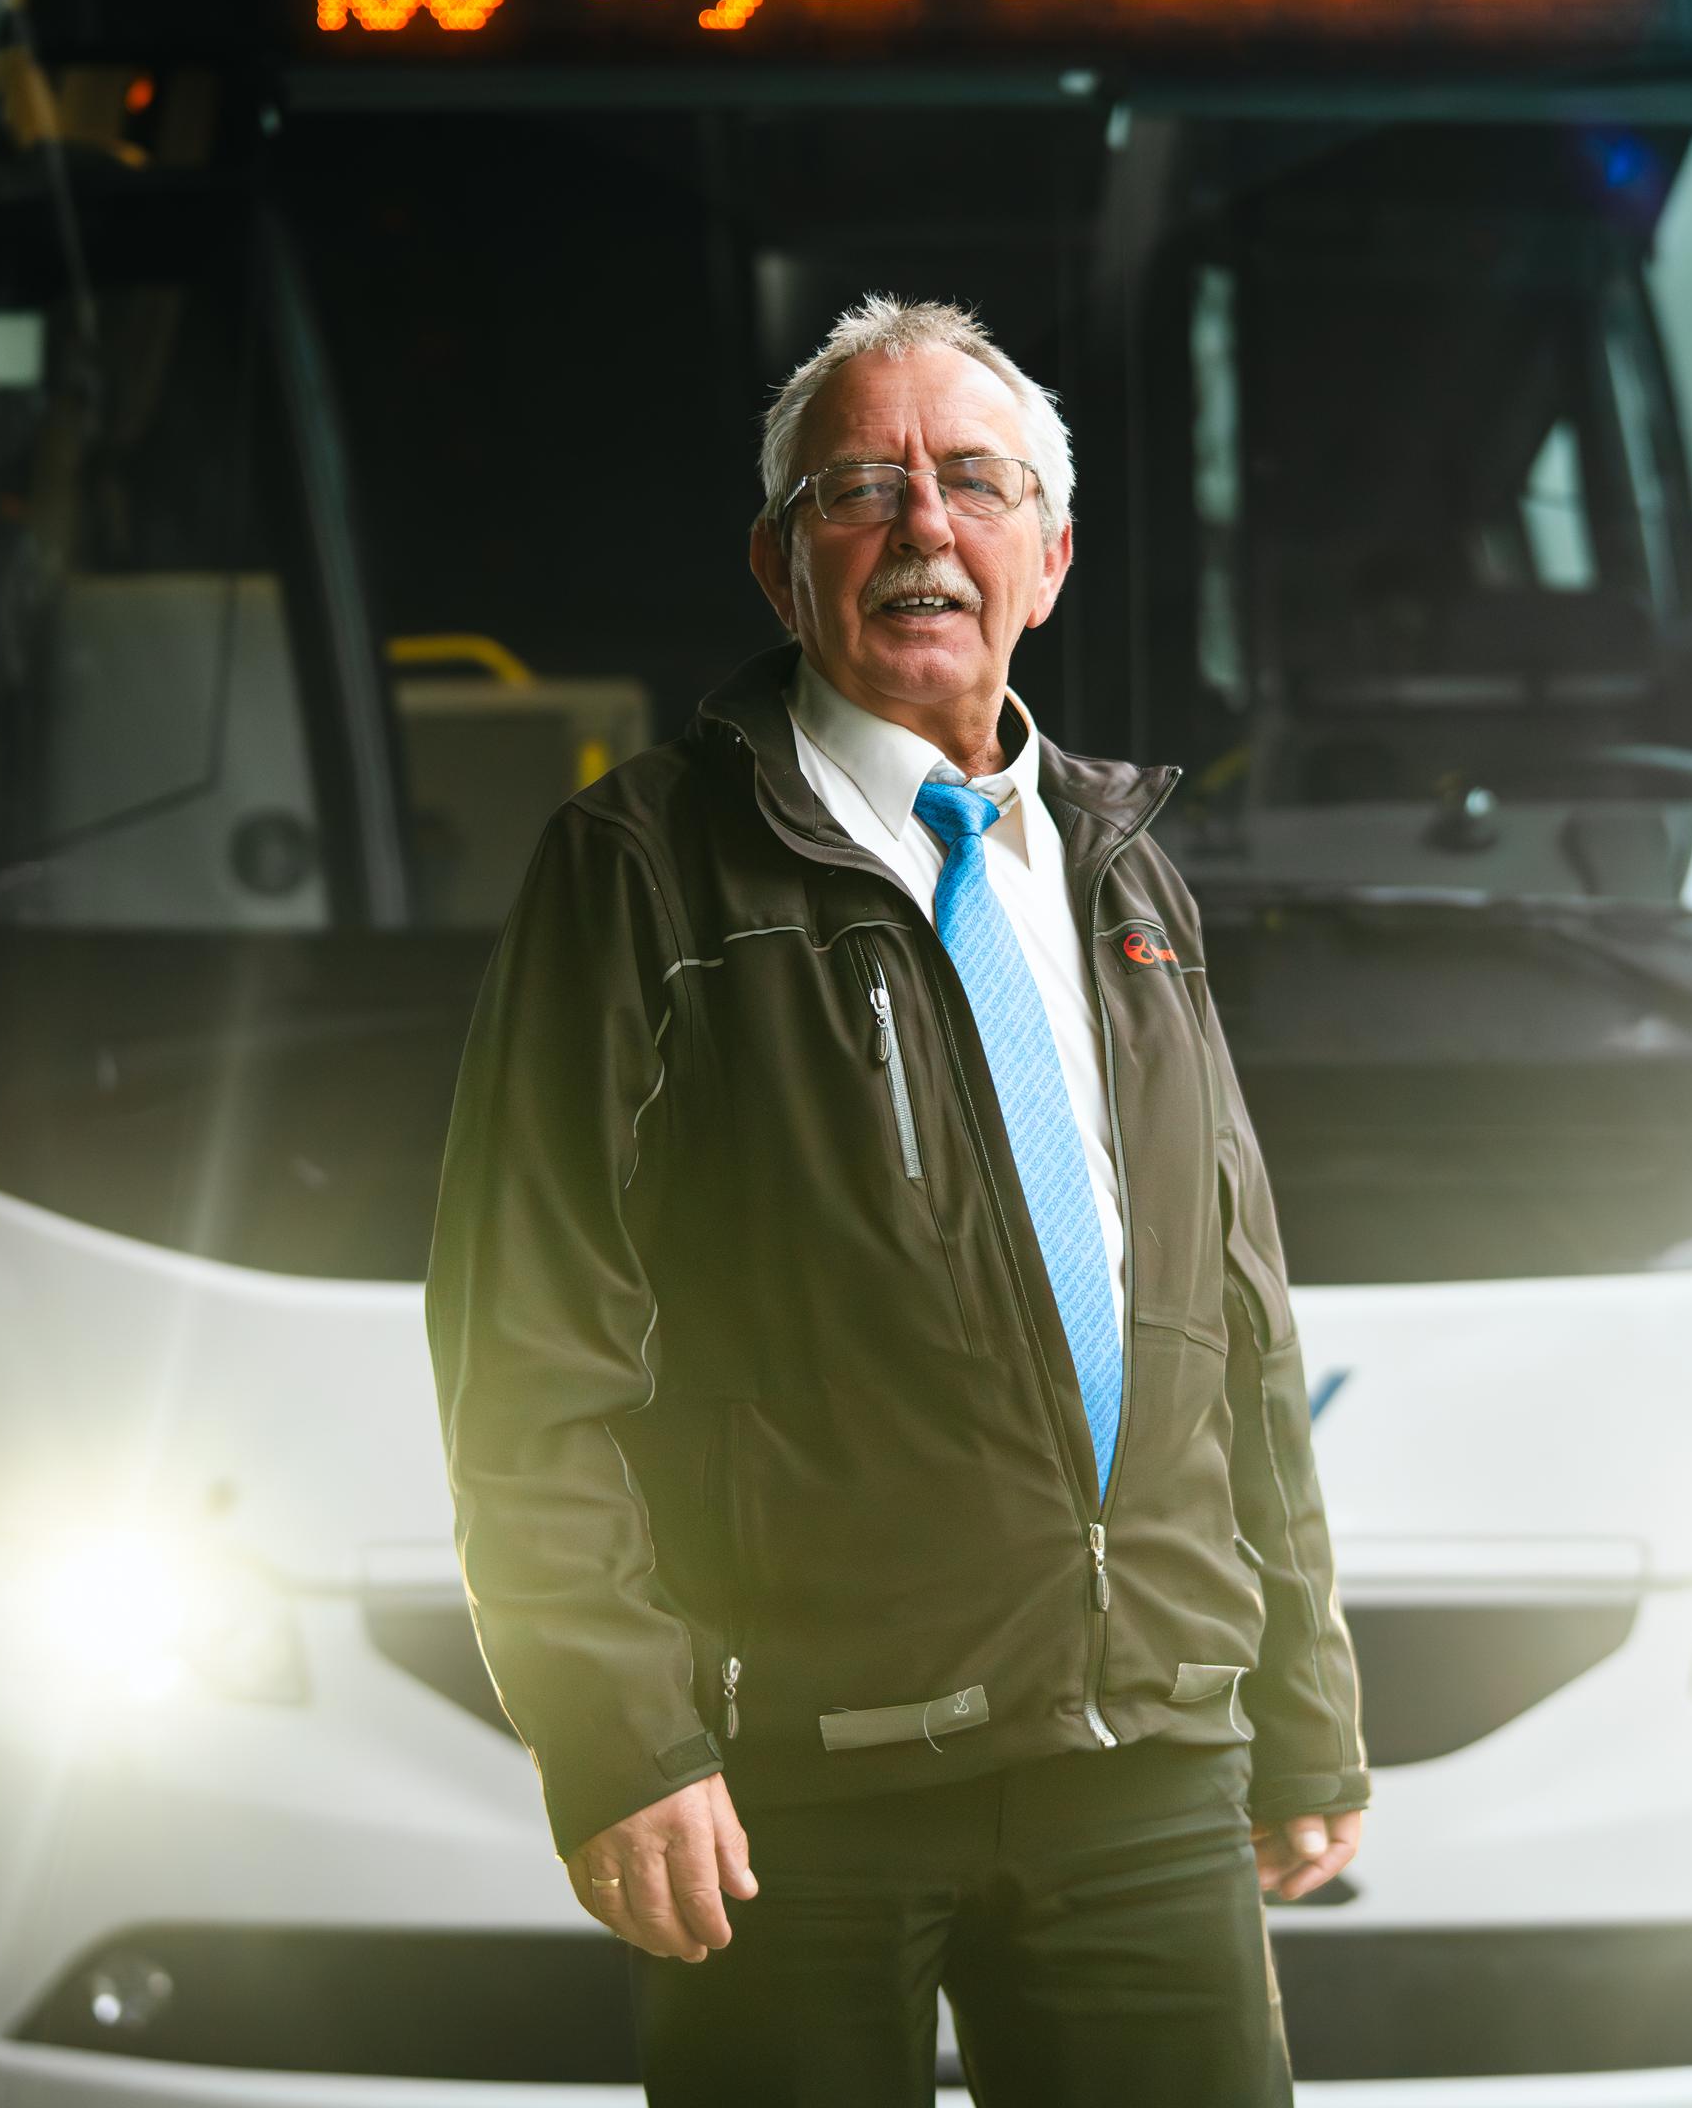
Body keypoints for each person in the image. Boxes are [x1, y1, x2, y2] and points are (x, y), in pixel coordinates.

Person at [428, 296, 1366, 2104]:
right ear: (781, 569)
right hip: (796, 1788)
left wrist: (1301, 1704)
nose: (923, 527)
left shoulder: (1124, 876)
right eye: (859, 488)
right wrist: (620, 1739)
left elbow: (1234, 1314)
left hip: (1144, 1763)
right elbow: (523, 1352)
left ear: (1051, 553)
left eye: (973, 483)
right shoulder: (636, 873)